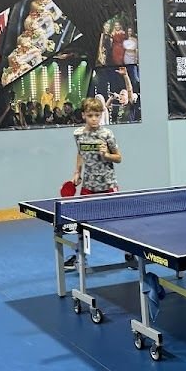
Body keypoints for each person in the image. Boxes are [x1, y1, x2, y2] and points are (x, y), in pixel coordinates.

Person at [64, 97, 123, 269]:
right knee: (82, 225)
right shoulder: (78, 134)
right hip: (88, 186)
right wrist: (77, 172)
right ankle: (80, 257)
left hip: (108, 185)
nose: (94, 119)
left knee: (119, 224)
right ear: (83, 115)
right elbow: (80, 153)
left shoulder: (107, 134)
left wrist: (107, 155)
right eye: (90, 115)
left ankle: (130, 253)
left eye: (97, 115)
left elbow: (119, 158)